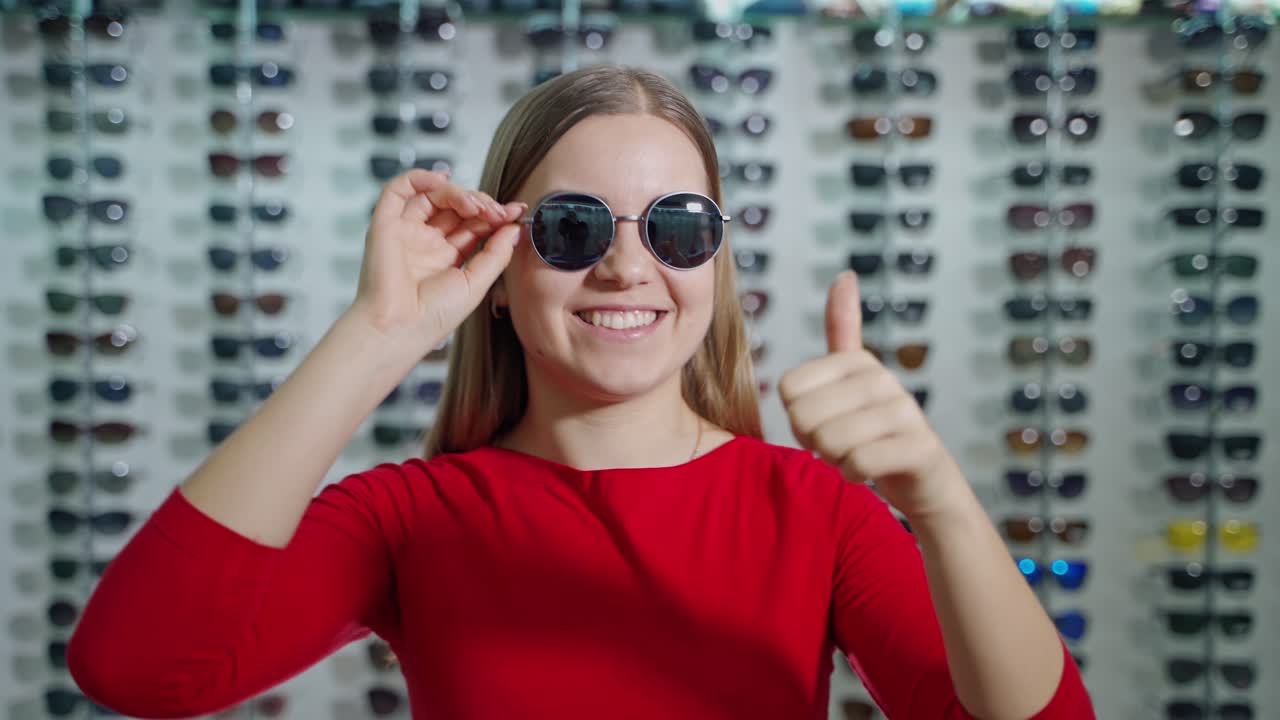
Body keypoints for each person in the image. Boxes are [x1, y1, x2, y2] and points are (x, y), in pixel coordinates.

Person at [65, 64, 1095, 719]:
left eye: (677, 227)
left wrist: (938, 501)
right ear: (501, 276)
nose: (625, 269)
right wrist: (377, 337)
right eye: (572, 229)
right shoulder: (410, 520)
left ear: (714, 268)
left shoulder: (810, 512)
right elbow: (139, 670)